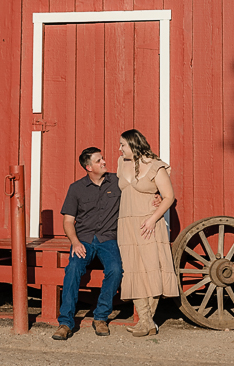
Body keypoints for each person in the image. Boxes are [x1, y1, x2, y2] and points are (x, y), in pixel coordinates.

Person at [52, 147, 124, 340]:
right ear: (88, 166)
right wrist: (75, 243)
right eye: (99, 160)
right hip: (83, 239)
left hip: (107, 239)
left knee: (116, 270)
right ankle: (65, 323)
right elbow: (68, 221)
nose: (104, 162)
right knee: (73, 268)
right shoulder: (76, 188)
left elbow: (140, 189)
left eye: (103, 158)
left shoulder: (117, 182)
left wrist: (156, 198)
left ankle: (100, 317)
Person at [117, 129, 179, 337]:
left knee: (151, 270)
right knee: (132, 270)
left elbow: (168, 197)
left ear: (133, 145)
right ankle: (146, 321)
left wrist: (153, 219)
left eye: (123, 145)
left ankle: (147, 322)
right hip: (126, 225)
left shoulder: (156, 166)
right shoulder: (121, 163)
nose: (119, 148)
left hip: (148, 224)